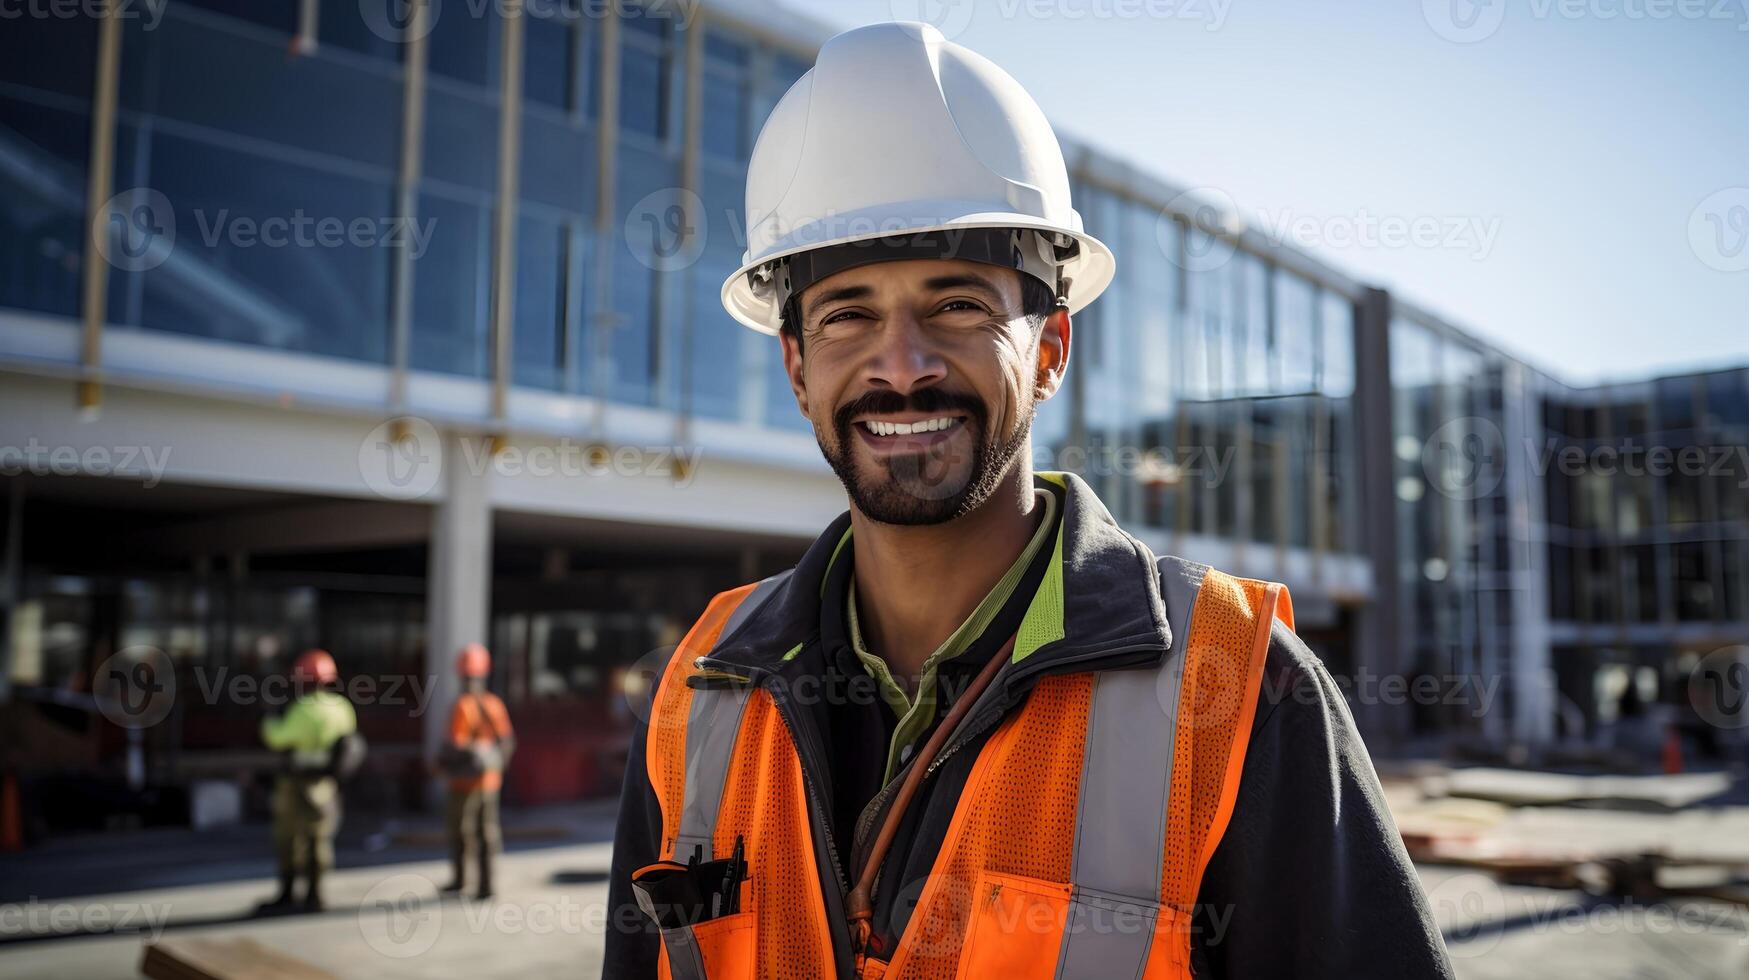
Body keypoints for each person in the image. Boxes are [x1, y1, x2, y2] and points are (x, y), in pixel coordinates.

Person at [604, 21, 1453, 979]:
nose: (902, 367)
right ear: (798, 368)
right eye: (847, 315)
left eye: (957, 304)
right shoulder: (702, 689)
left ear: (1047, 352)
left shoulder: (1241, 693)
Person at [258, 648, 357, 913]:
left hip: (295, 783)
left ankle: (288, 893)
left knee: (289, 837)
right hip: (325, 786)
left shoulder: (302, 710)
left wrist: (269, 719)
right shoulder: (342, 708)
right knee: (319, 838)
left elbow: (276, 738)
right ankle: (316, 895)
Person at [439, 643, 514, 900]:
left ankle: (462, 881)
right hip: (490, 782)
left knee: (462, 832)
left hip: (465, 784)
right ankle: (485, 886)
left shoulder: (463, 706)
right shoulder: (494, 704)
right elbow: (506, 742)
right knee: (487, 833)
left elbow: (455, 746)